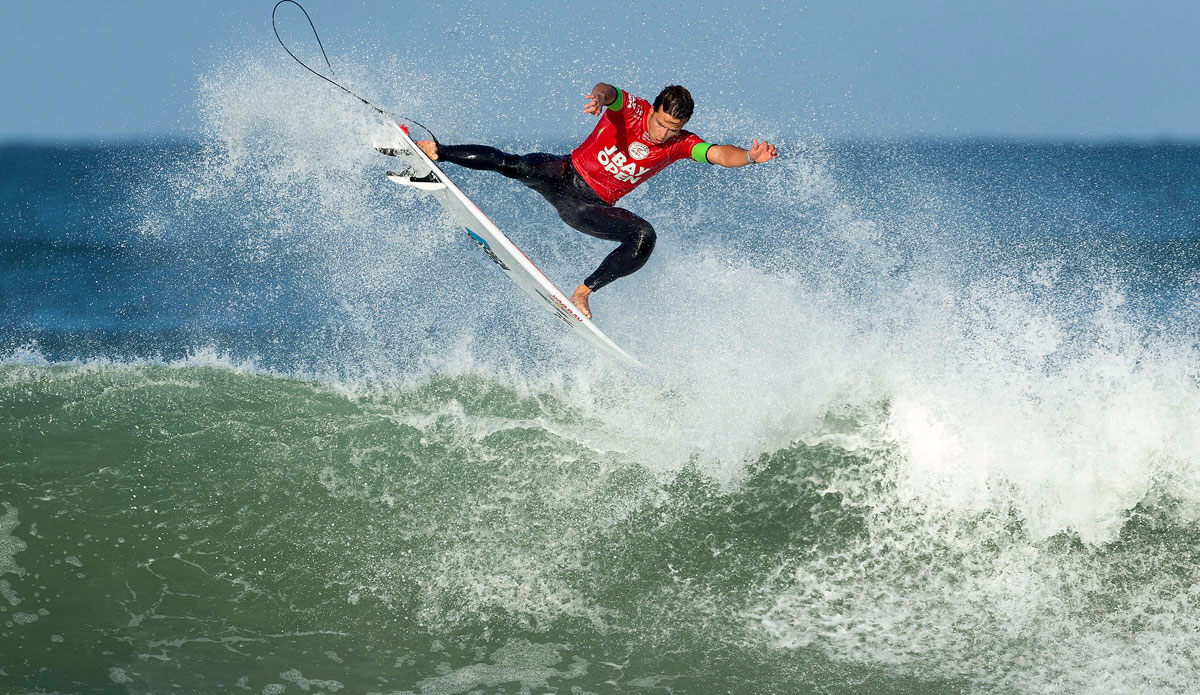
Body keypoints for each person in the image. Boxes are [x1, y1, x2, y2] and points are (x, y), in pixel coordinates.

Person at [417, 83, 778, 319]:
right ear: (653, 109)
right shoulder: (632, 109)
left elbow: (718, 154)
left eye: (674, 128)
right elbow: (608, 91)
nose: (665, 133)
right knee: (515, 164)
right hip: (565, 172)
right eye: (663, 123)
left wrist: (747, 155)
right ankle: (436, 150)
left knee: (644, 236)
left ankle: (583, 292)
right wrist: (600, 99)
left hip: (588, 206)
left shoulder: (681, 144)